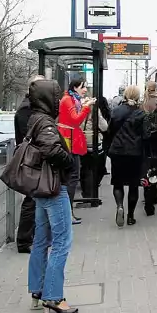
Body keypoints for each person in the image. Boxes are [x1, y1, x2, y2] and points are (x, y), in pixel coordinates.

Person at [27, 79, 78, 313]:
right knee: (61, 242)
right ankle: (54, 296)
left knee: (40, 240)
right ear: (49, 99)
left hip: (41, 188)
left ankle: (37, 290)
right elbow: (51, 150)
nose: (58, 101)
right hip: (54, 188)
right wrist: (69, 161)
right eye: (56, 97)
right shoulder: (46, 123)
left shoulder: (34, 118)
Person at [14, 73, 45, 253]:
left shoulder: (32, 107)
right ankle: (24, 241)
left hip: (33, 159)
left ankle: (31, 236)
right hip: (30, 160)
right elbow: (31, 136)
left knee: (34, 199)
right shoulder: (26, 110)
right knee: (31, 200)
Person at [58, 77, 95, 225]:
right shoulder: (68, 100)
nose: (85, 90)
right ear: (75, 87)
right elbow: (75, 120)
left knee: (72, 177)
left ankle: (68, 212)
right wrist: (87, 107)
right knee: (72, 178)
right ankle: (68, 214)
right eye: (83, 87)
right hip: (69, 142)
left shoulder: (70, 99)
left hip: (71, 140)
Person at [108, 85, 145, 226]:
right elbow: (145, 135)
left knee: (118, 183)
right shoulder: (140, 113)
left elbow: (110, 131)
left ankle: (119, 206)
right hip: (135, 153)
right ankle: (130, 216)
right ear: (137, 97)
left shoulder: (116, 111)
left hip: (117, 152)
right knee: (134, 185)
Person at [79, 97, 108, 201]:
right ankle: (92, 191)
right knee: (97, 167)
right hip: (93, 143)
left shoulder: (78, 110)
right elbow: (104, 127)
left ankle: (86, 192)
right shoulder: (95, 111)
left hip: (81, 143)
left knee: (85, 168)